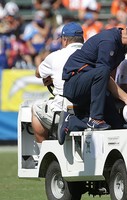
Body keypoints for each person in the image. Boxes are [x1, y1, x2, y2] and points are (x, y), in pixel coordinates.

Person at [61, 22, 127, 131]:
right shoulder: (109, 41)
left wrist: (118, 100)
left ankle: (71, 122)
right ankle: (95, 119)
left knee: (116, 123)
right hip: (75, 84)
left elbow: (110, 78)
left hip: (91, 86)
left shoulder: (121, 47)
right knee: (102, 70)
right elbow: (104, 75)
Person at [31, 22, 84, 151]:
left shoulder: (55, 56)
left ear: (64, 40)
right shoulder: (93, 54)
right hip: (90, 107)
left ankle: (43, 151)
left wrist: (51, 78)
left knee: (35, 109)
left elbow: (38, 73)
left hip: (64, 108)